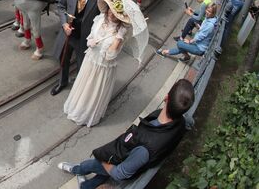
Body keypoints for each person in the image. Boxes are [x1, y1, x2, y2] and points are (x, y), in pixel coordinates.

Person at [58, 79, 195, 189]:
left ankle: (77, 170)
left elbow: (120, 173)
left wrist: (103, 159)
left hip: (123, 159)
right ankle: (86, 186)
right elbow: (190, 122)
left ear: (166, 98)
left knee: (89, 165)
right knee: (102, 174)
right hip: (129, 151)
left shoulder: (145, 149)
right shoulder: (181, 122)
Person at [64, 0, 136, 127]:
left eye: (116, 14)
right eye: (110, 10)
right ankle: (77, 108)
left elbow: (110, 56)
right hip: (90, 61)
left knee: (93, 91)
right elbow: (90, 36)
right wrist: (91, 41)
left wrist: (119, 37)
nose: (111, 14)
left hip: (103, 67)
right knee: (83, 86)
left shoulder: (121, 33)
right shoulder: (99, 19)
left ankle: (87, 113)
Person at [51, 0, 103, 96]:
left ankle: (79, 88)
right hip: (67, 35)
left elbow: (101, 19)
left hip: (83, 38)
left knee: (82, 65)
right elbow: (61, 6)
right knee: (63, 59)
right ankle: (62, 82)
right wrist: (64, 24)